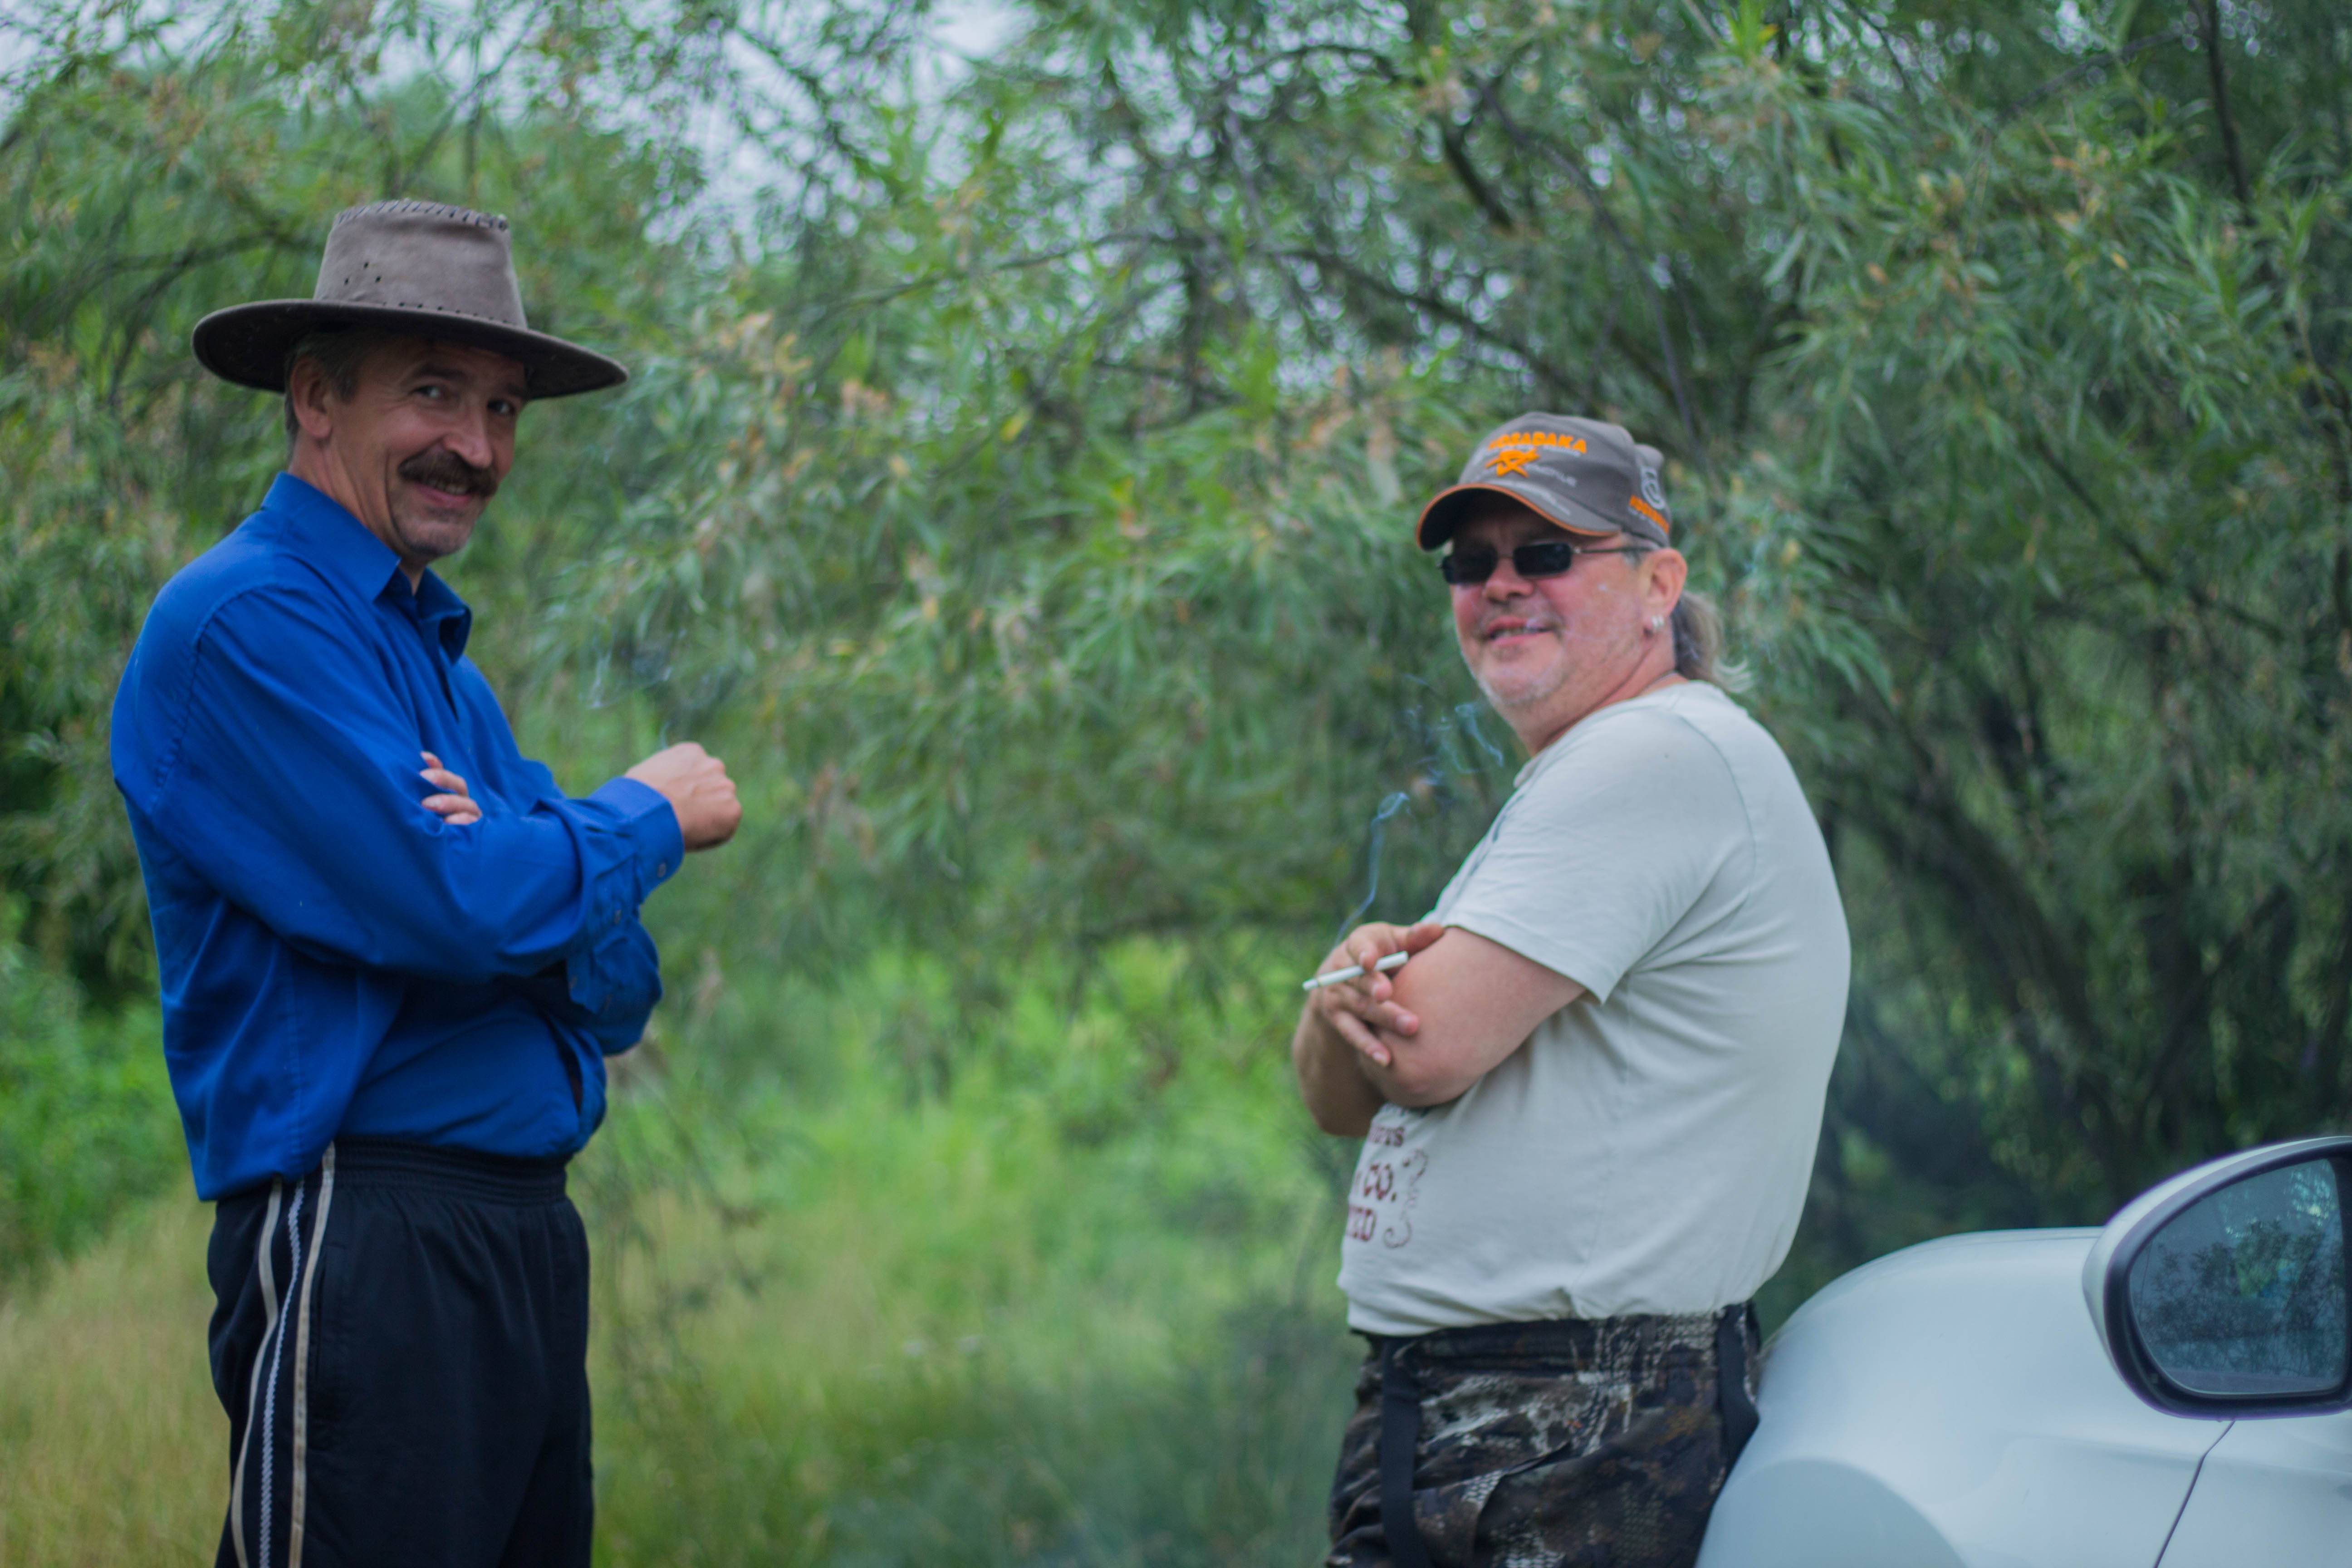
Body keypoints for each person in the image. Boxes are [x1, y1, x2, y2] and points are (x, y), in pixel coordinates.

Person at [110, 201, 742, 1568]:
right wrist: (639, 816)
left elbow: (616, 988)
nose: (478, 447)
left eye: (502, 409)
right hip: (366, 1229)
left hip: (522, 1239)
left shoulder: (448, 674)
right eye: (435, 393)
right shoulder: (246, 622)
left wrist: (521, 862)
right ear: (315, 398)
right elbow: (460, 907)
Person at [1291, 414, 1850, 1568]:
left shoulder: (1651, 755)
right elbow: (1338, 1097)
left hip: (1566, 1418)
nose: (1501, 585)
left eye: (1546, 554)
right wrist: (1335, 996)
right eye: (1471, 564)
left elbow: (1421, 1048)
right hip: (1523, 1415)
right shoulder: (1594, 771)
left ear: (1659, 587)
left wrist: (1361, 996)